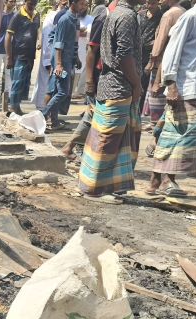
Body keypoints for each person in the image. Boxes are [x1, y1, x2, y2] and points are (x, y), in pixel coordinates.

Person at [147, 0, 196, 196]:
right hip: (185, 88)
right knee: (179, 136)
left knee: (176, 135)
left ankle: (156, 180)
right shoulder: (190, 18)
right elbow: (172, 51)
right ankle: (166, 180)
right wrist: (171, 85)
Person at [78, 0, 143, 199]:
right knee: (109, 140)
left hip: (111, 84)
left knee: (116, 139)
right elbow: (124, 55)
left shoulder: (115, 13)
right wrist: (136, 84)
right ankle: (95, 189)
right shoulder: (126, 16)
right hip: (119, 86)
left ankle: (108, 186)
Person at [62, 0, 118, 159]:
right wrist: (89, 81)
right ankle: (71, 147)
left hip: (109, 77)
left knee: (93, 115)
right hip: (100, 75)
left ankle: (74, 148)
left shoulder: (117, 15)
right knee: (94, 114)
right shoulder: (104, 17)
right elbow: (91, 51)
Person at [42, 0, 87, 131]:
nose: (83, 7)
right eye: (81, 4)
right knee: (63, 91)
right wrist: (58, 63)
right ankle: (43, 115)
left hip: (67, 59)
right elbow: (58, 43)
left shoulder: (75, 20)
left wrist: (75, 56)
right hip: (62, 62)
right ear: (73, 3)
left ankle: (54, 122)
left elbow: (71, 41)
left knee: (58, 91)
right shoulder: (65, 20)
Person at [144, 0, 185, 125]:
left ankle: (156, 124)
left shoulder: (168, 15)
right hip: (177, 61)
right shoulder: (183, 12)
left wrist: (152, 60)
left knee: (157, 93)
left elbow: (161, 39)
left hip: (162, 61)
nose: (160, 1)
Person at [5, 0, 40, 114]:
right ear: (25, 2)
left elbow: (36, 31)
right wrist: (9, 57)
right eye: (30, 4)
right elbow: (8, 36)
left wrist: (39, 42)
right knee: (17, 82)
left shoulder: (37, 15)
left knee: (24, 82)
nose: (32, 6)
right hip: (18, 54)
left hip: (30, 54)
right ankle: (13, 107)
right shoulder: (18, 15)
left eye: (34, 4)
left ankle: (17, 106)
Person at [32, 1, 65, 109]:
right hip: (50, 57)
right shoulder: (53, 17)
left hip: (51, 56)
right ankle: (43, 109)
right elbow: (48, 40)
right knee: (47, 84)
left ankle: (45, 109)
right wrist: (48, 60)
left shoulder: (54, 16)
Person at [138, 0, 163, 110]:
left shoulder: (161, 16)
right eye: (148, 3)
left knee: (144, 83)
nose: (150, 6)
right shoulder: (141, 14)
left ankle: (140, 109)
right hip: (138, 52)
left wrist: (156, 42)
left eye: (153, 3)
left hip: (151, 55)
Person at [0, 0, 16, 101]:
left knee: (9, 73)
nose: (12, 4)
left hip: (10, 49)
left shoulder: (15, 16)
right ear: (5, 2)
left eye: (14, 2)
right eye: (11, 1)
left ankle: (8, 94)